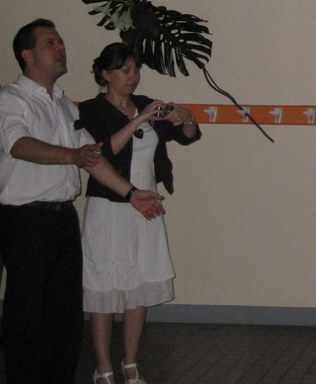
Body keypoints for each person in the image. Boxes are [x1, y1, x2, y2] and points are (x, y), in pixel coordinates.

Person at [0, 19, 165, 384]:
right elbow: (18, 145)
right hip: (24, 220)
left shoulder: (64, 104)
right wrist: (72, 156)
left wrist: (131, 193)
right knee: (27, 312)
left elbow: (92, 157)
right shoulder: (10, 99)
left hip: (62, 219)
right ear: (27, 55)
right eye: (50, 42)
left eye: (61, 41)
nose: (60, 48)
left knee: (64, 312)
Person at [78, 42, 202, 384]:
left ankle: (130, 362)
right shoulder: (92, 109)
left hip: (147, 206)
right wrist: (140, 120)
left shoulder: (145, 103)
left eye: (135, 70)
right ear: (106, 74)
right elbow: (104, 152)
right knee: (104, 287)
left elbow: (188, 136)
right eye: (125, 71)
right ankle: (104, 366)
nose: (132, 77)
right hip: (109, 207)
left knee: (140, 284)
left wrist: (186, 116)